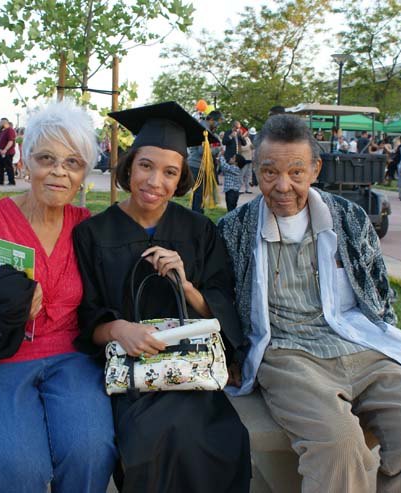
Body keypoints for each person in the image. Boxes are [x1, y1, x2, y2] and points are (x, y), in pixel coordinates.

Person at [217, 114, 401, 493]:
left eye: (296, 172)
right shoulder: (235, 228)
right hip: (288, 355)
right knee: (340, 449)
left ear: (316, 169)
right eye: (269, 172)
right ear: (256, 171)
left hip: (358, 344)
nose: (282, 186)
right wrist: (232, 356)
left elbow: (378, 290)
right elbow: (223, 300)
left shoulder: (348, 218)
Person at [0, 100, 117, 492]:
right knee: (15, 465)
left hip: (71, 358)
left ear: (84, 173)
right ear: (26, 161)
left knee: (91, 451)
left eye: (73, 163)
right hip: (0, 356)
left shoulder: (87, 227)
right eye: (46, 158)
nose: (59, 172)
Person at [73, 101, 251, 493]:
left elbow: (220, 306)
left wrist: (185, 286)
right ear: (129, 167)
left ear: (180, 180)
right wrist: (119, 328)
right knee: (149, 442)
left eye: (169, 172)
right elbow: (84, 317)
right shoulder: (93, 234)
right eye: (145, 166)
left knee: (222, 440)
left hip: (191, 371)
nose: (155, 181)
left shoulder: (200, 231)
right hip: (132, 375)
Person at [186, 110, 223, 213]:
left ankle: (196, 215)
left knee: (199, 195)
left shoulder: (204, 128)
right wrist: (217, 149)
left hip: (198, 165)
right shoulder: (203, 130)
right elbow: (202, 150)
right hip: (197, 166)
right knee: (199, 195)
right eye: (217, 122)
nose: (217, 125)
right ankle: (196, 217)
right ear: (211, 119)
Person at [0, 117, 17, 185]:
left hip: (7, 152)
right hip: (1, 152)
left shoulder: (10, 130)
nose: (0, 124)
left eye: (1, 122)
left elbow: (10, 141)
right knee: (0, 167)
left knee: (8, 167)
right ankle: (0, 180)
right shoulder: (3, 131)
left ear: (4, 122)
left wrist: (5, 149)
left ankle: (11, 181)